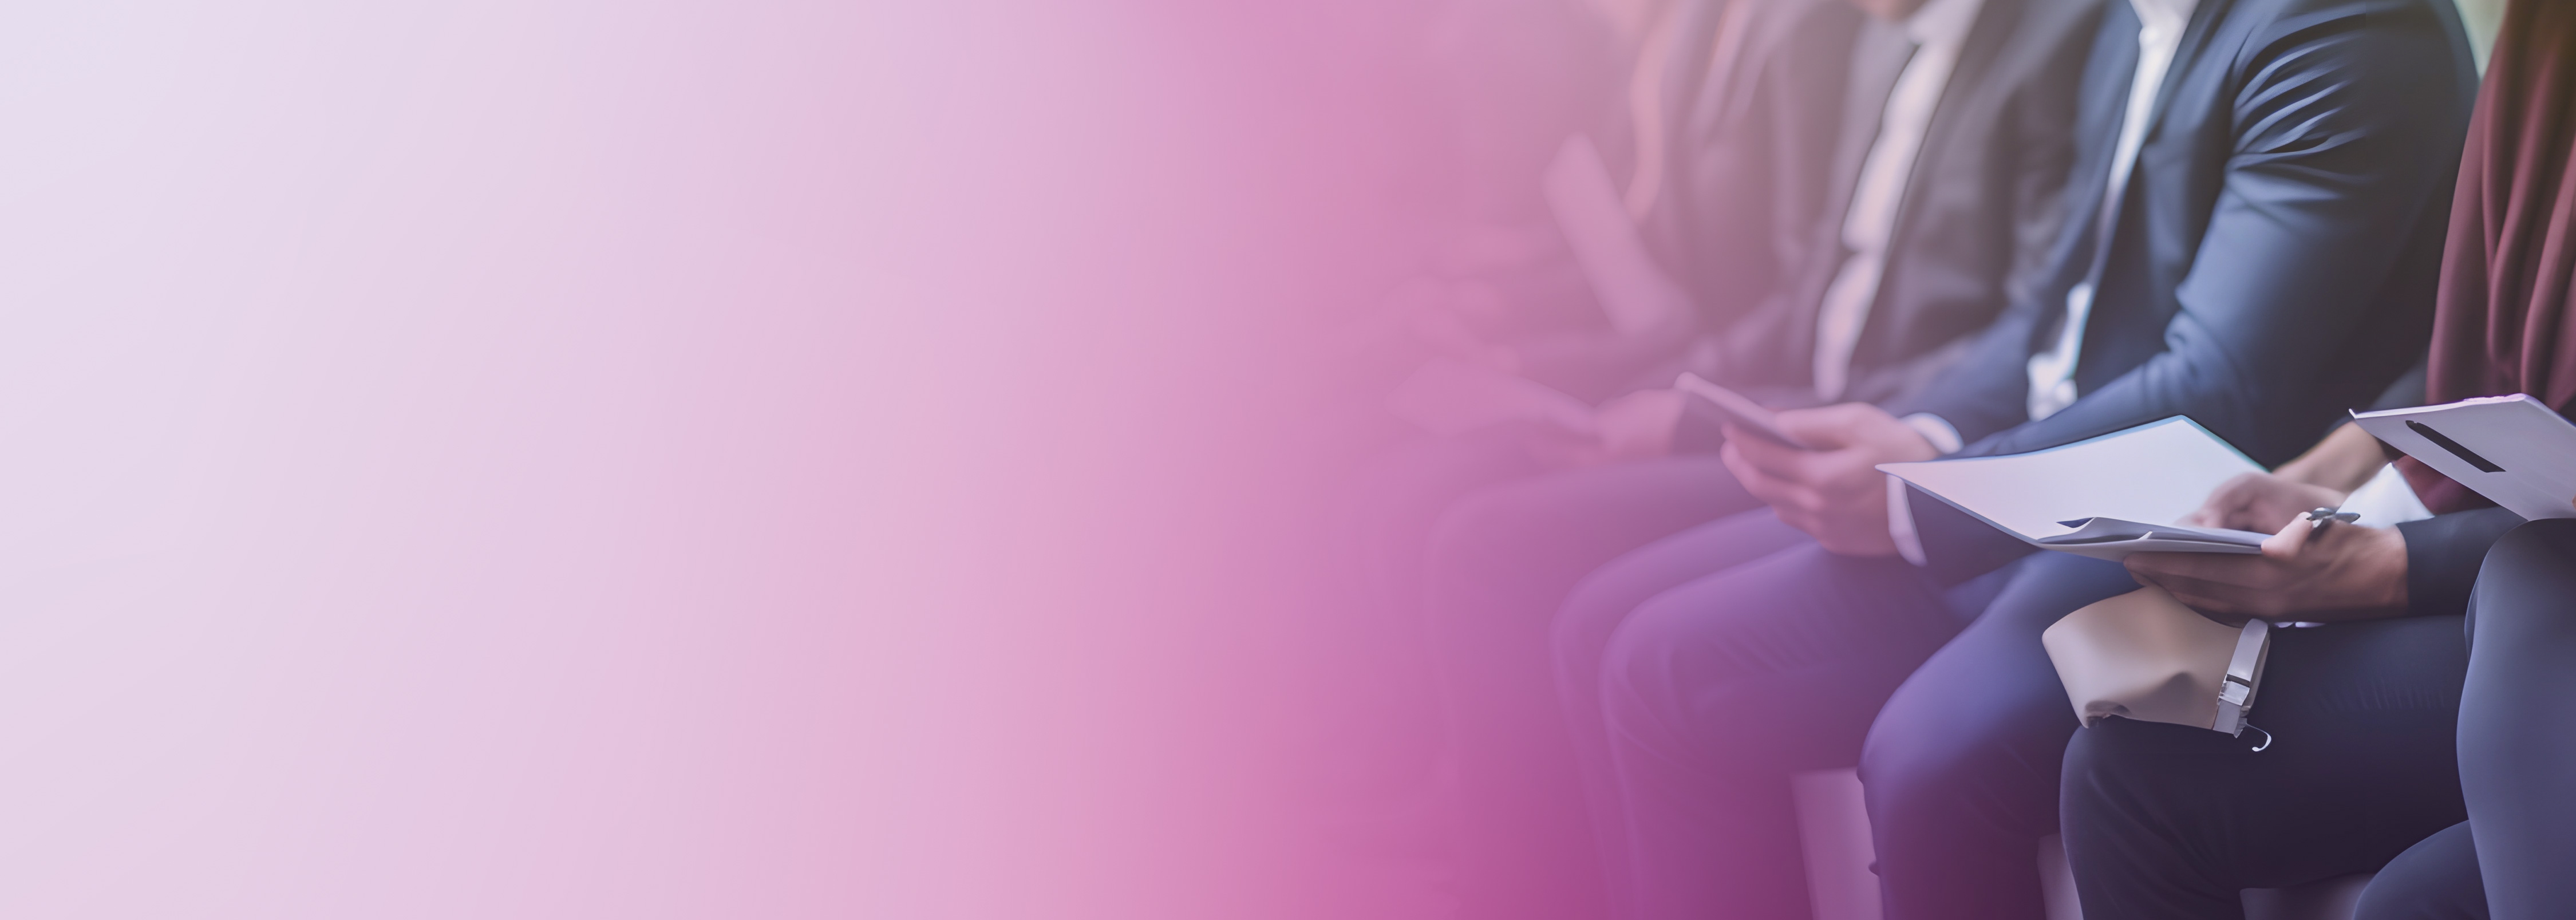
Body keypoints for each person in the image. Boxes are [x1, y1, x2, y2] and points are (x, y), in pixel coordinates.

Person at [1571, 0, 2479, 917]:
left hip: (2195, 509)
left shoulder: (2344, 29)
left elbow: (2222, 385)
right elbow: (2048, 324)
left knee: (1929, 760)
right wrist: (1928, 441)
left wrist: (1920, 506)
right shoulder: (2135, 24)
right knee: (1635, 647)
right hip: (2056, 478)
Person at [1412, 0, 2100, 915]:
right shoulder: (1885, 44)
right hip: (1825, 416)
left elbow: (2033, 339)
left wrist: (1874, 445)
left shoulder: (2060, 37)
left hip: (1912, 434)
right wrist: (1681, 404)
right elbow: (1810, 292)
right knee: (1520, 561)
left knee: (1579, 605)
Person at [2056, 2, 2576, 915]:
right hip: (2522, 562)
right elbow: (2503, 335)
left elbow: (2222, 371)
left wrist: (2390, 561)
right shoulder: (2545, 49)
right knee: (2124, 767)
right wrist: (2347, 479)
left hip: (2538, 581)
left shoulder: (2359, 31)